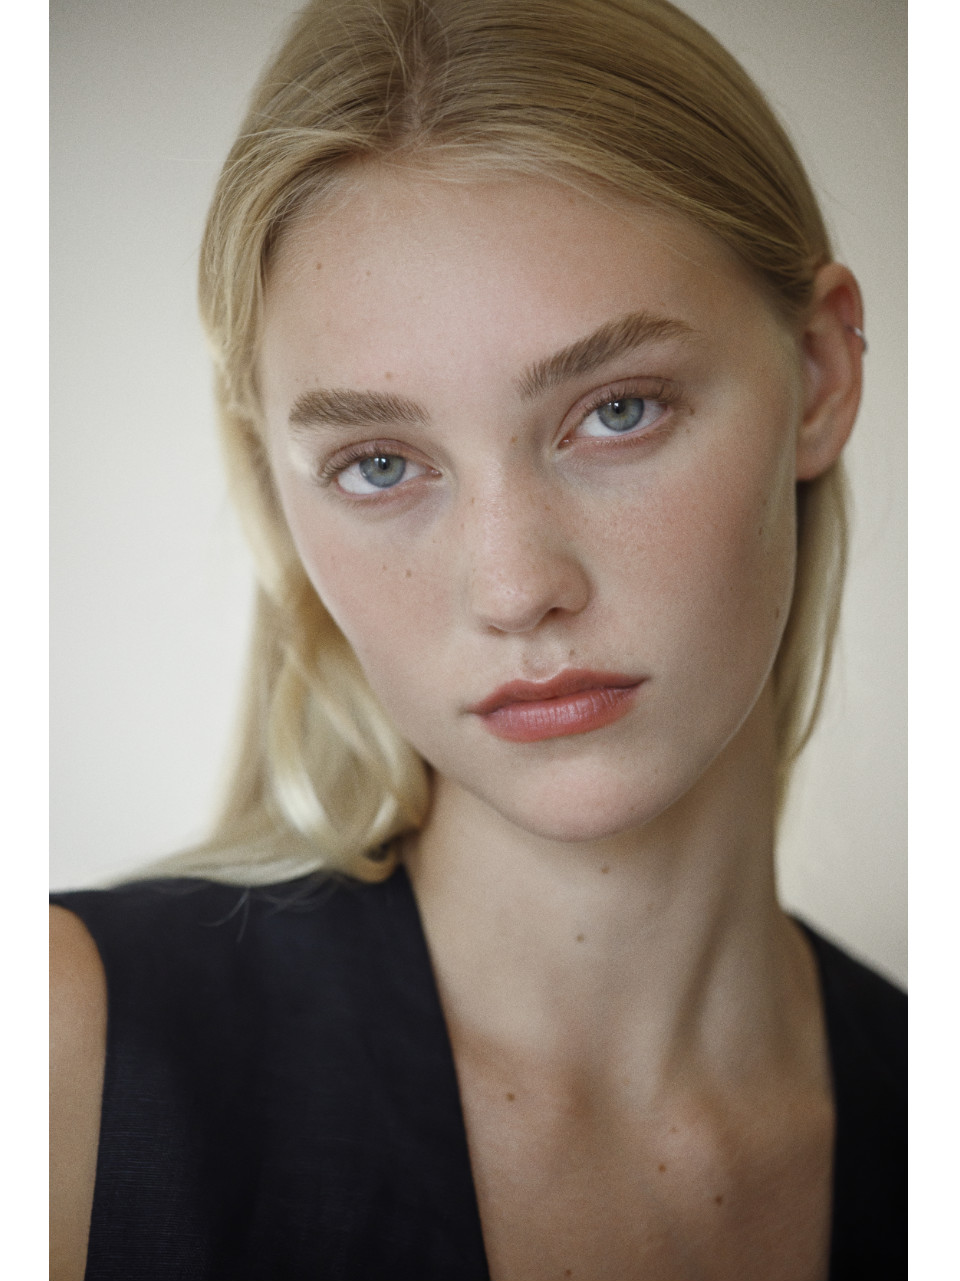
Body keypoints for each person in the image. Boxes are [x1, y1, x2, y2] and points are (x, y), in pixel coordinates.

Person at [49, 1, 905, 1277]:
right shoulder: (63, 1059)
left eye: (618, 410)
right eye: (380, 462)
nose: (515, 588)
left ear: (822, 374)